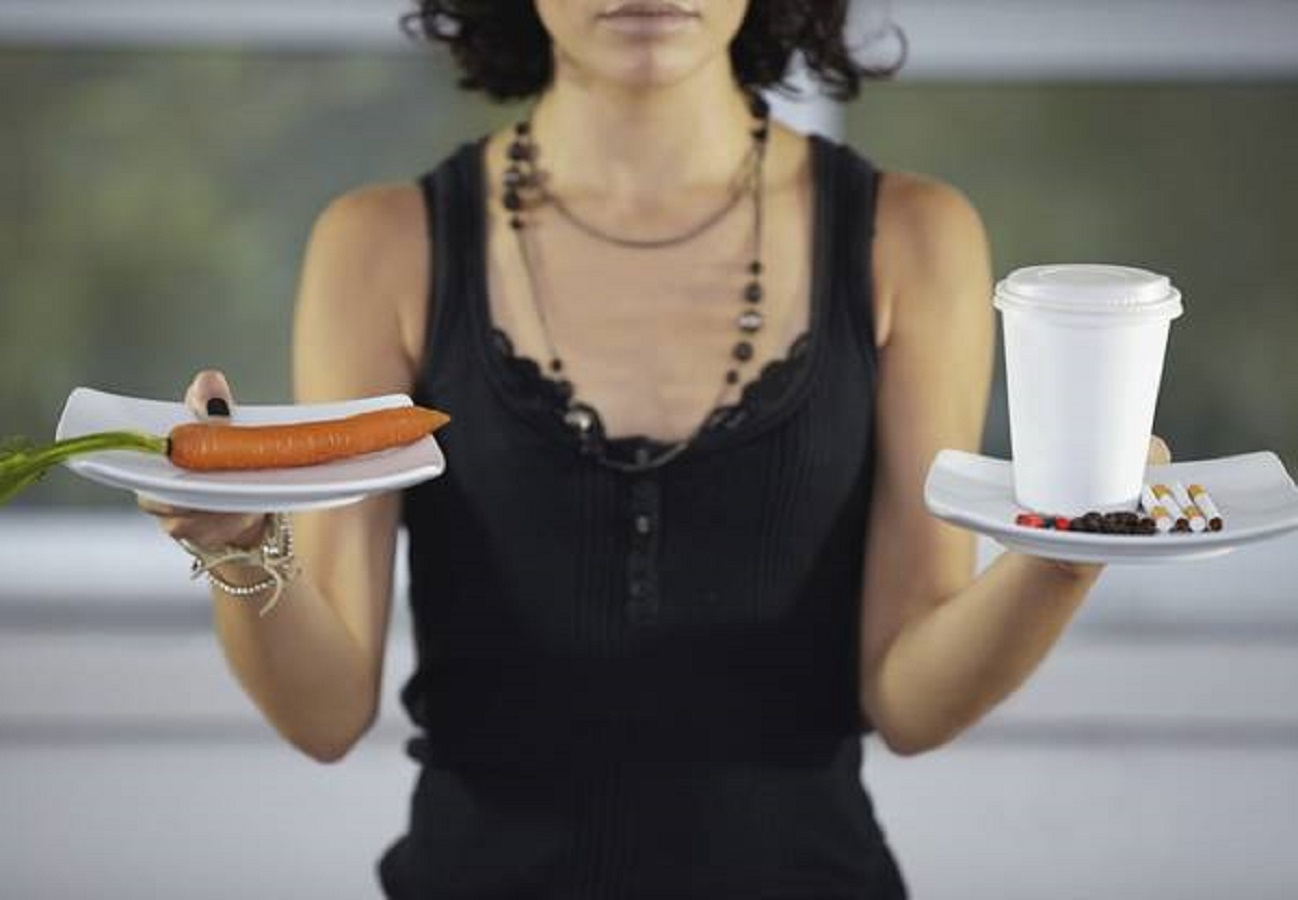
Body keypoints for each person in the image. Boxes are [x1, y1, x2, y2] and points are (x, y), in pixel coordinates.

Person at [140, 1, 1170, 896]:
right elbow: (324, 712)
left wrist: (1062, 556)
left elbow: (908, 702)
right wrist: (240, 544)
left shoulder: (912, 236)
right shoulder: (380, 244)